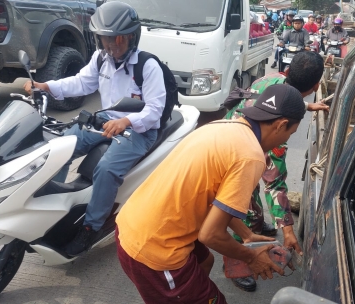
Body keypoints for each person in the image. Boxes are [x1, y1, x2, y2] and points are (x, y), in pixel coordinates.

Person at [116, 84, 307, 303]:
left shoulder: (225, 126)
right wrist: (251, 256)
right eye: (290, 134)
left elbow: (215, 199)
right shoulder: (251, 156)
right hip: (152, 248)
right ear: (281, 124)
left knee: (205, 262)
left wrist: (246, 234)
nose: (286, 141)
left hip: (132, 220)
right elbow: (210, 235)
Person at [23, 2, 166, 256]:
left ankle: (91, 228)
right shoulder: (101, 59)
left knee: (107, 169)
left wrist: (126, 121)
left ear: (132, 37)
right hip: (105, 122)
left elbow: (154, 109)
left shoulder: (147, 66)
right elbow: (81, 83)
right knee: (60, 147)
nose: (112, 46)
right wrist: (46, 86)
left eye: (118, 40)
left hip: (139, 130)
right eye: (105, 39)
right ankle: (52, 206)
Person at [224, 51, 328, 291]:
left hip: (230, 127)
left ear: (288, 72)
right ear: (316, 85)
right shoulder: (277, 133)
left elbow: (279, 95)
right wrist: (288, 230)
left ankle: (257, 223)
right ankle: (236, 262)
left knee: (252, 199)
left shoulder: (270, 80)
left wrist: (306, 105)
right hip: (236, 154)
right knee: (243, 202)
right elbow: (275, 185)